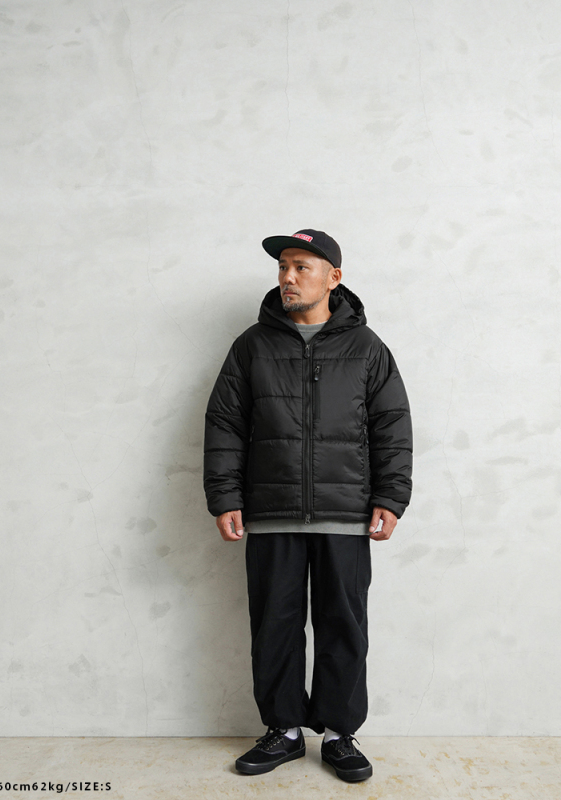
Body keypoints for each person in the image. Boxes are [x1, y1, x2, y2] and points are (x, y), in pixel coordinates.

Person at [203, 229, 412, 783]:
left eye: (301, 266)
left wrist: (390, 497)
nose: (288, 277)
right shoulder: (252, 346)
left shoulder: (367, 348)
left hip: (346, 511)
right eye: (283, 267)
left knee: (344, 624)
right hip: (270, 509)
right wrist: (225, 496)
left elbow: (392, 427)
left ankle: (340, 734)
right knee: (274, 623)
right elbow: (225, 424)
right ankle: (285, 730)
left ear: (333, 277)